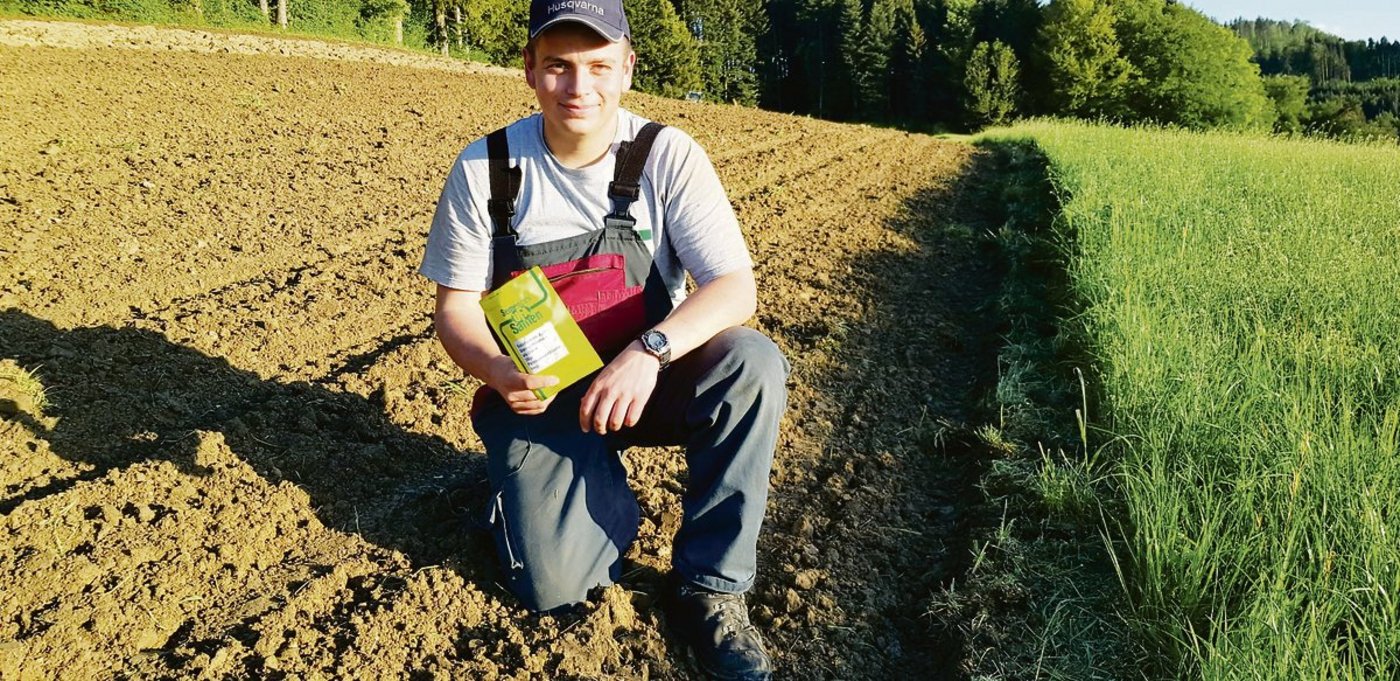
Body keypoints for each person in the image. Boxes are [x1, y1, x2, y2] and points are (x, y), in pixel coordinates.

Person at [418, 1, 787, 678]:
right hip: (542, 397)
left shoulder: (666, 156)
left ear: (626, 68)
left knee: (752, 364)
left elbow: (734, 287)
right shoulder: (486, 168)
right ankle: (577, 488)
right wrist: (497, 369)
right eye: (557, 65)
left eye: (596, 65)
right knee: (554, 586)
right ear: (529, 68)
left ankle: (712, 586)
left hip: (643, 383)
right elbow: (456, 310)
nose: (577, 86)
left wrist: (649, 353)